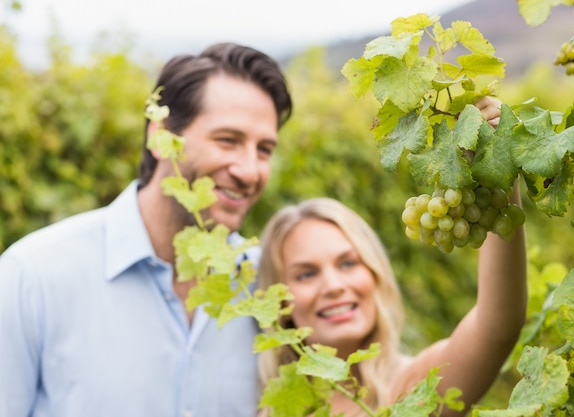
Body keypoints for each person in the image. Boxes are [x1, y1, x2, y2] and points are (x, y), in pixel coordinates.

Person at [0, 42, 292, 417]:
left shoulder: (266, 286)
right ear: (160, 137)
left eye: (264, 149)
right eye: (228, 140)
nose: (250, 170)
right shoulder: (33, 277)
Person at [256, 104, 527, 417]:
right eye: (306, 274)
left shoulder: (414, 389)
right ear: (279, 300)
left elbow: (496, 326)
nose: (333, 286)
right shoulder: (276, 409)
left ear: (375, 275)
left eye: (348, 263)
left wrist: (495, 173)